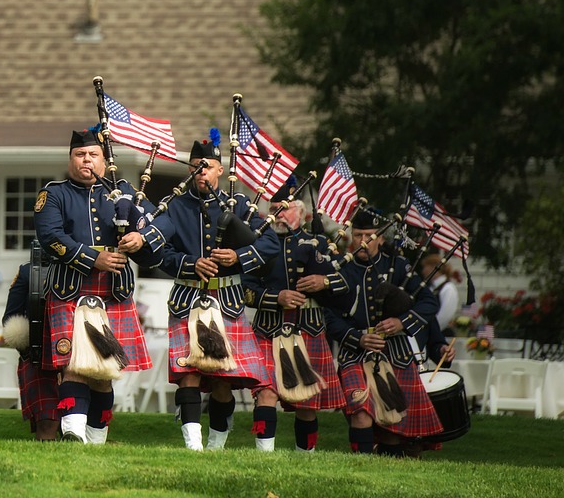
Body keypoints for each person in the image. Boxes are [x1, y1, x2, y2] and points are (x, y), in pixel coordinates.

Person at [136, 130, 279, 451]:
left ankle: (215, 445)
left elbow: (270, 242)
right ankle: (193, 446)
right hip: (187, 300)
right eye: (196, 166)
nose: (202, 171)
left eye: (208, 166)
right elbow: (162, 253)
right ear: (190, 170)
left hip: (227, 301)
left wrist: (237, 256)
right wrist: (190, 263)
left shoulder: (239, 204)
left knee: (222, 381)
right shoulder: (175, 207)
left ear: (220, 170)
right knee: (188, 372)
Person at [34, 128, 151, 444]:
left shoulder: (125, 191)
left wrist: (140, 237)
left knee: (104, 371)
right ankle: (73, 434)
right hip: (69, 290)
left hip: (114, 292)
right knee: (72, 364)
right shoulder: (55, 193)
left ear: (103, 159)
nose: (86, 160)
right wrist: (91, 259)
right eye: (79, 154)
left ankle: (96, 439)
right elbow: (50, 237)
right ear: (71, 158)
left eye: (92, 154)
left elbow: (157, 225)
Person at [324, 208, 444, 456]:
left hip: (395, 353)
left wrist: (402, 322)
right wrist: (357, 338)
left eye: (369, 235)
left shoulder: (398, 266)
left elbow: (428, 302)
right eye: (358, 235)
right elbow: (328, 315)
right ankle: (361, 466)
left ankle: (386, 471)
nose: (363, 241)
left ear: (381, 239)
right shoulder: (340, 269)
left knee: (392, 426)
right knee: (360, 411)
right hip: (355, 354)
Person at [244, 192, 349, 451]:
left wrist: (323, 281)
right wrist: (275, 297)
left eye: (284, 208)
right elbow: (246, 289)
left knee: (307, 403)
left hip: (308, 328)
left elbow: (346, 283)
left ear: (300, 213)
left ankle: (306, 456)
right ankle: (263, 456)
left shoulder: (319, 243)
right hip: (269, 327)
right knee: (266, 393)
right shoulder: (259, 243)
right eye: (273, 208)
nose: (277, 213)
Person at [0, 262, 60, 441]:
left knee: (81, 423)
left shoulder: (88, 265)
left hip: (80, 357)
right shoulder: (28, 271)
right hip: (40, 357)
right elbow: (11, 318)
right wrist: (29, 352)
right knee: (47, 424)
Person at [419, 251, 460, 333]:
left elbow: (445, 315)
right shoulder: (431, 288)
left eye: (425, 267)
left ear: (433, 267)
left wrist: (431, 331)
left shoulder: (448, 288)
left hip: (441, 334)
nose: (423, 271)